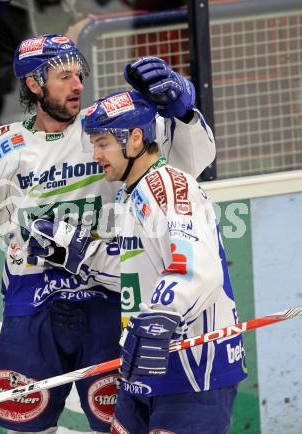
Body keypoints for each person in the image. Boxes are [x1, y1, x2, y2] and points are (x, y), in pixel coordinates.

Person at [0, 35, 216, 433]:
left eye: (79, 74)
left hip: (108, 296)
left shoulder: (108, 127)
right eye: (63, 76)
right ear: (33, 84)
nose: (77, 85)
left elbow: (189, 162)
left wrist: (184, 114)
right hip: (32, 301)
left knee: (119, 424)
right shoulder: (1, 146)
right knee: (26, 425)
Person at [30, 89, 246, 433]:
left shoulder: (169, 187)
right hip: (144, 369)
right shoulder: (130, 193)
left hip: (193, 372)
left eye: (103, 143)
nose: (97, 155)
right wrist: (80, 254)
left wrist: (160, 316)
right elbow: (137, 271)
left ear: (134, 139)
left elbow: (198, 269)